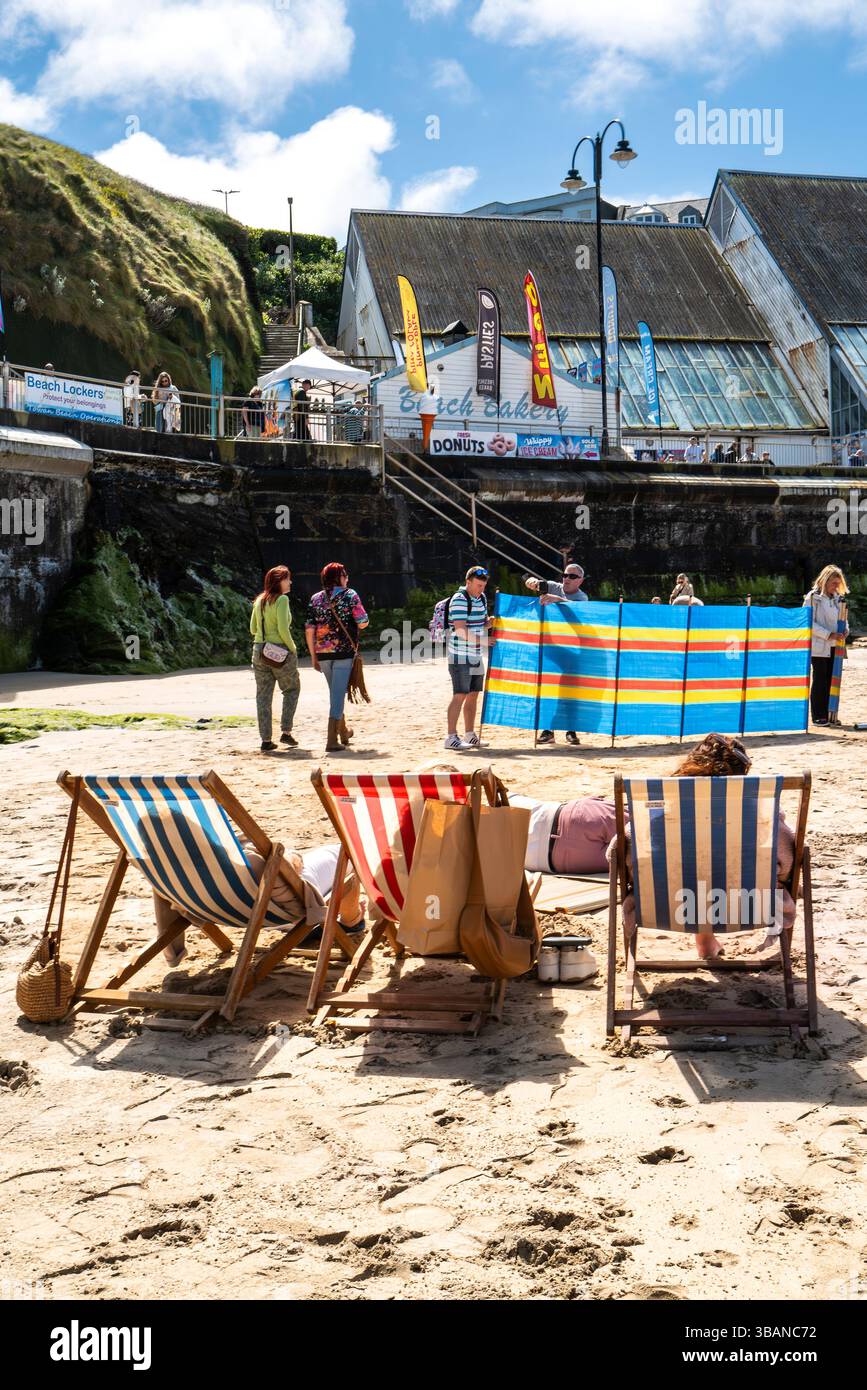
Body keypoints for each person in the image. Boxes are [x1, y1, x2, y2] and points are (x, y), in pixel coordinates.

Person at [606, 733, 797, 961]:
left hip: (669, 904)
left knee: (695, 873)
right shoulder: (760, 815)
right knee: (717, 873)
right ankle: (706, 938)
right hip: (748, 904)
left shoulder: (662, 811)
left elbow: (614, 854)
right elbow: (787, 859)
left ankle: (704, 939)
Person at [305, 561, 369, 751]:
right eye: (345, 574)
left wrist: (313, 656)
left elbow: (309, 629)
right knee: (337, 696)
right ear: (339, 577)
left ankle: (343, 732)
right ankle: (331, 740)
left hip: (322, 653)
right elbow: (363, 622)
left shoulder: (316, 598)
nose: (347, 578)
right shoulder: (350, 595)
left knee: (336, 694)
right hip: (343, 651)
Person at [524, 562, 588, 746]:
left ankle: (571, 731)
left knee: (570, 692)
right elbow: (531, 580)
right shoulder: (554, 586)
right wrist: (532, 581)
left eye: (572, 576)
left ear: (581, 581)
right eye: (565, 575)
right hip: (551, 648)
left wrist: (556, 599)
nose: (567, 579)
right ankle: (547, 731)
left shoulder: (582, 597)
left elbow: (577, 609)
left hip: (574, 651)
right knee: (548, 690)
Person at [250, 565, 301, 753]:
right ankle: (286, 732)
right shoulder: (282, 600)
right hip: (278, 651)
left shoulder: (259, 601)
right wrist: (293, 648)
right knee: (292, 689)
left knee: (263, 696)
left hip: (258, 650)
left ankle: (266, 740)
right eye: (287, 578)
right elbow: (283, 629)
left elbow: (253, 629)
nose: (290, 582)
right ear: (279, 581)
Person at [444, 565, 492, 752]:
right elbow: (460, 629)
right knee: (460, 694)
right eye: (478, 585)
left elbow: (481, 624)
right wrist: (485, 640)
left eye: (483, 585)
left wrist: (490, 623)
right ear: (468, 582)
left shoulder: (481, 598)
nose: (481, 589)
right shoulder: (460, 599)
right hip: (459, 655)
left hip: (475, 654)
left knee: (473, 694)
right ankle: (450, 737)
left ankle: (470, 735)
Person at [509, 793, 619, 874]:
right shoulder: (496, 796)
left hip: (560, 860)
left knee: (631, 855)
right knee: (634, 826)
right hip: (568, 819)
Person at [803, 565, 849, 726]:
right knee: (820, 680)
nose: (836, 586)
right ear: (825, 580)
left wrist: (845, 631)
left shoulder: (838, 597)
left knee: (832, 680)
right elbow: (807, 622)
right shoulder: (812, 597)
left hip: (836, 645)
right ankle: (818, 716)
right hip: (819, 645)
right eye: (833, 583)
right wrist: (829, 634)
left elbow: (843, 617)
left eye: (838, 583)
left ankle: (831, 714)